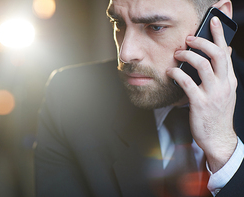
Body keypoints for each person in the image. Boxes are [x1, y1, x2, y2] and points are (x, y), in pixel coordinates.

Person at [35, 0, 244, 196]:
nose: (125, 53)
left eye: (156, 27)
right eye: (118, 23)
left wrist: (223, 152)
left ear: (217, 19)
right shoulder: (69, 98)